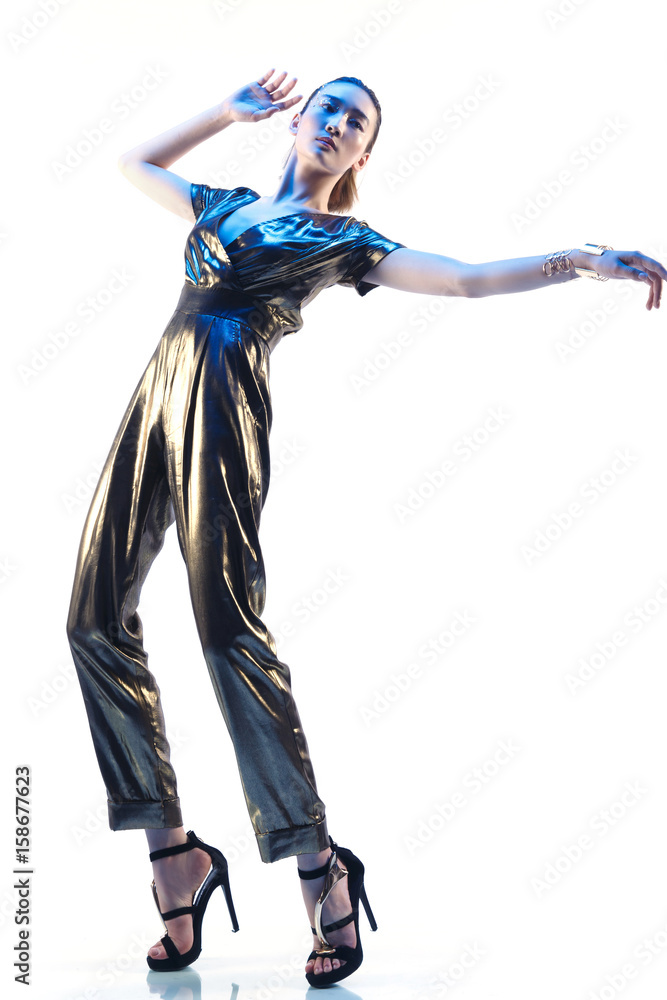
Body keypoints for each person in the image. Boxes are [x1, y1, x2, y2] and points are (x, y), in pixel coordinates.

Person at [65, 67, 666, 988]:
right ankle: (172, 853)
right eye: (328, 109)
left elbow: (463, 281)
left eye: (356, 124)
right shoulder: (219, 205)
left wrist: (578, 259)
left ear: (361, 156)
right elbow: (132, 162)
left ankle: (319, 865)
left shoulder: (341, 239)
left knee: (227, 632)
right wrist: (225, 111)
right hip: (152, 403)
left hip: (224, 411)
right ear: (296, 120)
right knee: (92, 621)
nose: (337, 125)